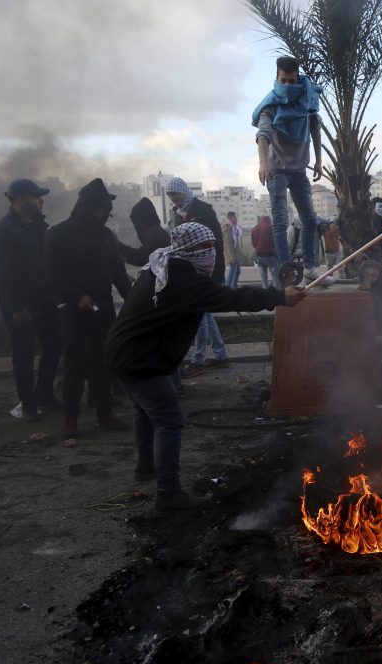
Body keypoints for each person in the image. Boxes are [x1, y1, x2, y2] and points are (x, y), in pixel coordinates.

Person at [104, 222, 306, 512]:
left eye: (214, 247)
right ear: (187, 249)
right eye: (204, 248)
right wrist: (279, 298)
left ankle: (146, 467)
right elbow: (229, 297)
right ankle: (168, 494)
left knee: (144, 410)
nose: (211, 254)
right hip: (140, 359)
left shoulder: (164, 266)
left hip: (130, 352)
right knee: (169, 420)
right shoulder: (180, 279)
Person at [45, 178, 131, 437]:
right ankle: (70, 419)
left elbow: (118, 271)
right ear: (85, 207)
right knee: (75, 364)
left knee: (104, 362)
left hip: (103, 307)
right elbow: (53, 272)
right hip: (73, 309)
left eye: (105, 211)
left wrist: (132, 298)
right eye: (97, 210)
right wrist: (77, 295)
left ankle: (104, 413)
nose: (102, 215)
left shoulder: (106, 236)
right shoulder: (59, 234)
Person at [252, 54, 334, 286]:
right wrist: (263, 163)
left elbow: (316, 129)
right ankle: (287, 271)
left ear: (297, 77)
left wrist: (318, 161)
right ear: (277, 79)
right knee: (280, 220)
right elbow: (263, 134)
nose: (287, 86)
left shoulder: (307, 100)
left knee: (309, 219)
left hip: (299, 170)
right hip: (276, 171)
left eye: (291, 80)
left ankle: (309, 268)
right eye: (283, 81)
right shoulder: (271, 104)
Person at [0, 178, 62, 422]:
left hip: (44, 298)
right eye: (36, 196)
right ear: (20, 200)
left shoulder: (40, 226)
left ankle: (44, 393)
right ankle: (28, 404)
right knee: (24, 352)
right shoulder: (2, 231)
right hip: (19, 302)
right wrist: (16, 307)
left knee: (54, 344)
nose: (41, 200)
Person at [165, 177, 229, 377]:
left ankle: (198, 360)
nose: (173, 199)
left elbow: (216, 243)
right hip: (190, 272)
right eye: (170, 195)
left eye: (175, 194)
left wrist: (217, 274)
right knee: (205, 314)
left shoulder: (203, 211)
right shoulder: (178, 215)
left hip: (205, 271)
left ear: (183, 191)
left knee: (198, 315)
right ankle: (220, 355)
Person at [118, 197, 170, 267]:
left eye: (136, 222)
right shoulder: (156, 230)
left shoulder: (153, 233)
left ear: (141, 219)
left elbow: (144, 258)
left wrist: (119, 246)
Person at [250, 215, 279, 288]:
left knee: (264, 277)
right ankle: (277, 293)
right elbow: (275, 242)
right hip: (270, 255)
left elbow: (253, 243)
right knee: (275, 276)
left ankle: (265, 291)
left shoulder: (254, 229)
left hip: (259, 256)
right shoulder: (271, 228)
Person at [223, 211, 242, 289]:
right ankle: (228, 287)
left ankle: (234, 287)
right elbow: (228, 244)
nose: (236, 219)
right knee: (233, 271)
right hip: (232, 255)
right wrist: (231, 257)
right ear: (230, 218)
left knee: (237, 271)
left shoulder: (234, 227)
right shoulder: (228, 228)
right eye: (234, 217)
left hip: (235, 254)